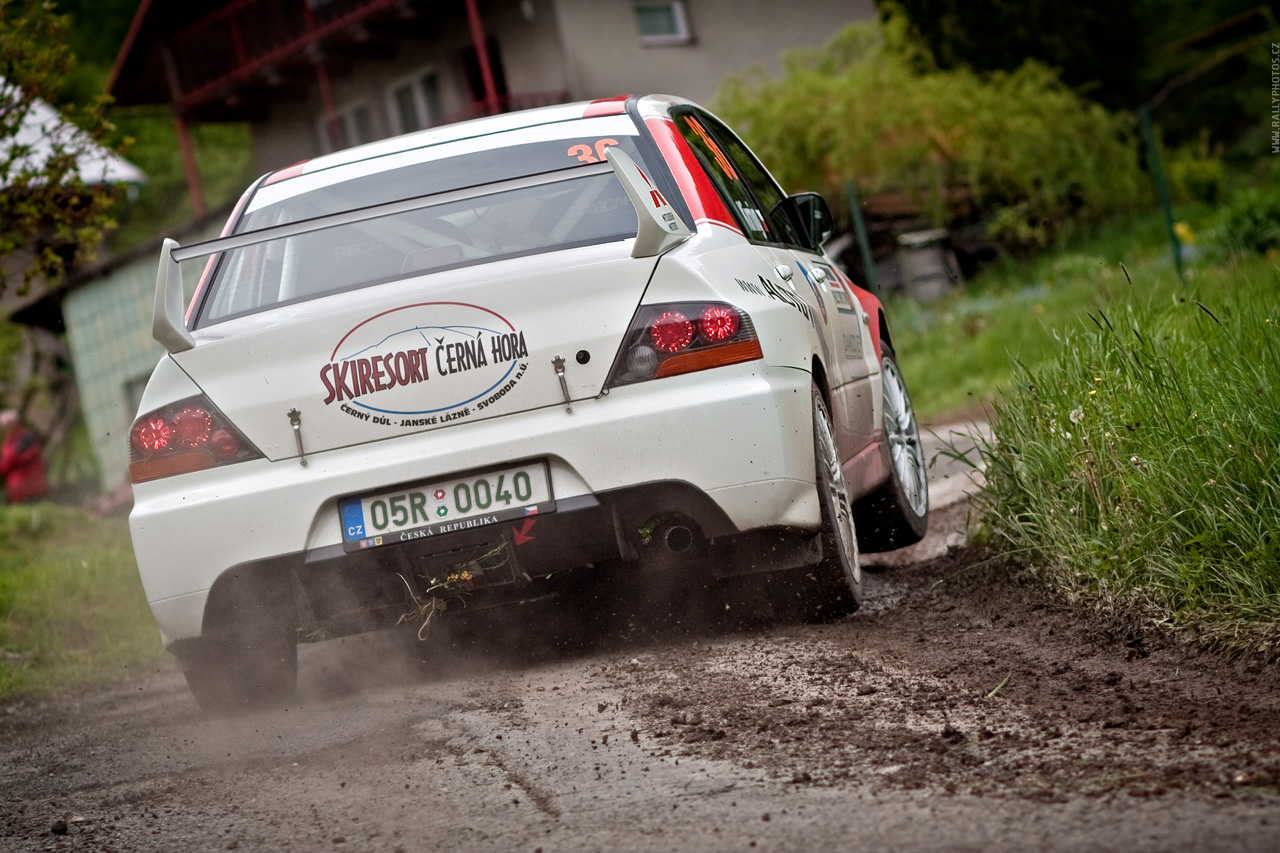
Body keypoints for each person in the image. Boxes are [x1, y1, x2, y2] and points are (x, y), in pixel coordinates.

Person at [0, 409, 48, 504]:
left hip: (26, 487)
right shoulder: (12, 441)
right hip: (22, 488)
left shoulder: (23, 440)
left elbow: (10, 460)